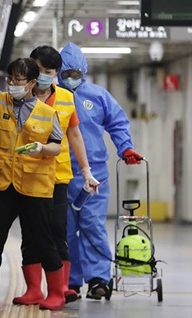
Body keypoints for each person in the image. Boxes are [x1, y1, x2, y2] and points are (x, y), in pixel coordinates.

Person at [0, 45, 99, 306]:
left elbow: (60, 143)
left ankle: (56, 292)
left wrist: (44, 149)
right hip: (5, 184)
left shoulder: (49, 112)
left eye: (18, 80)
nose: (12, 84)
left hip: (37, 186)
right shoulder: (0, 101)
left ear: (31, 83)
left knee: (45, 239)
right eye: (10, 79)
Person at [57, 42, 144, 300]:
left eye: (76, 74)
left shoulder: (97, 96)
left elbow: (117, 123)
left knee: (93, 225)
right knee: (65, 230)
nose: (71, 79)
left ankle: (98, 279)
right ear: (59, 73)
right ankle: (70, 281)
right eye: (66, 74)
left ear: (83, 72)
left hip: (93, 174)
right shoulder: (52, 97)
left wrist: (125, 148)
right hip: (60, 173)